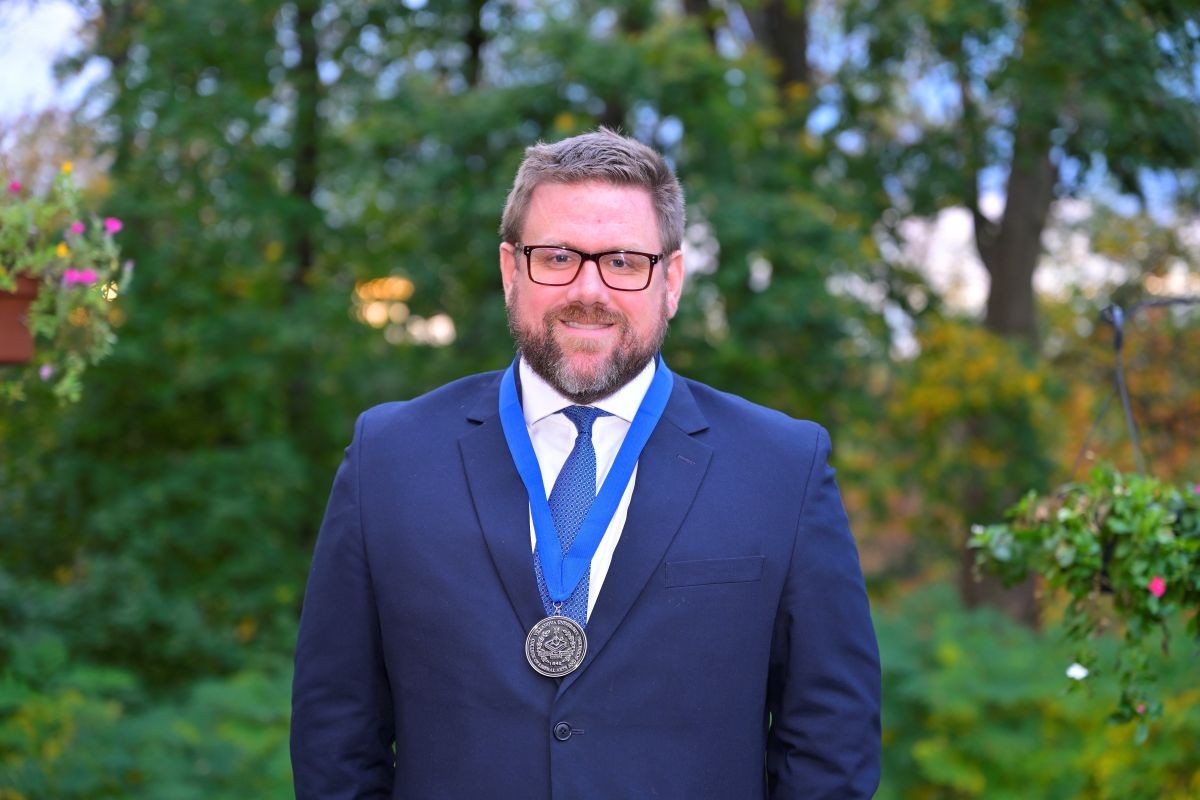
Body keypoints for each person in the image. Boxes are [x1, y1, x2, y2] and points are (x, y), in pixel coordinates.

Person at [291, 128, 881, 799]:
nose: (590, 290)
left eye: (625, 261)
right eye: (559, 257)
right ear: (513, 270)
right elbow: (334, 734)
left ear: (672, 280)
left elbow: (831, 740)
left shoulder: (783, 468)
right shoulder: (389, 458)